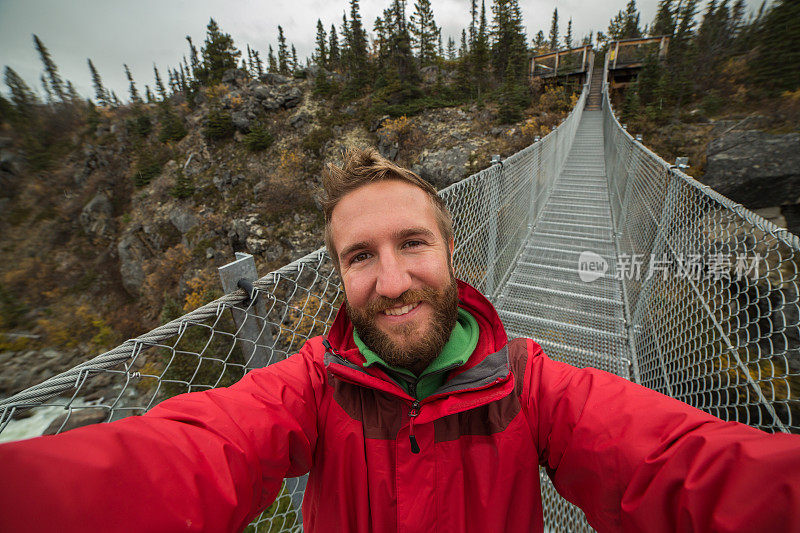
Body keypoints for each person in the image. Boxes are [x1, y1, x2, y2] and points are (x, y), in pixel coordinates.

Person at [1, 147, 799, 532]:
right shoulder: (310, 387)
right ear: (338, 277)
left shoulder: (535, 388)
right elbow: (190, 454)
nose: (390, 281)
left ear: (455, 252)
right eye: (360, 256)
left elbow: (684, 466)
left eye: (412, 243)